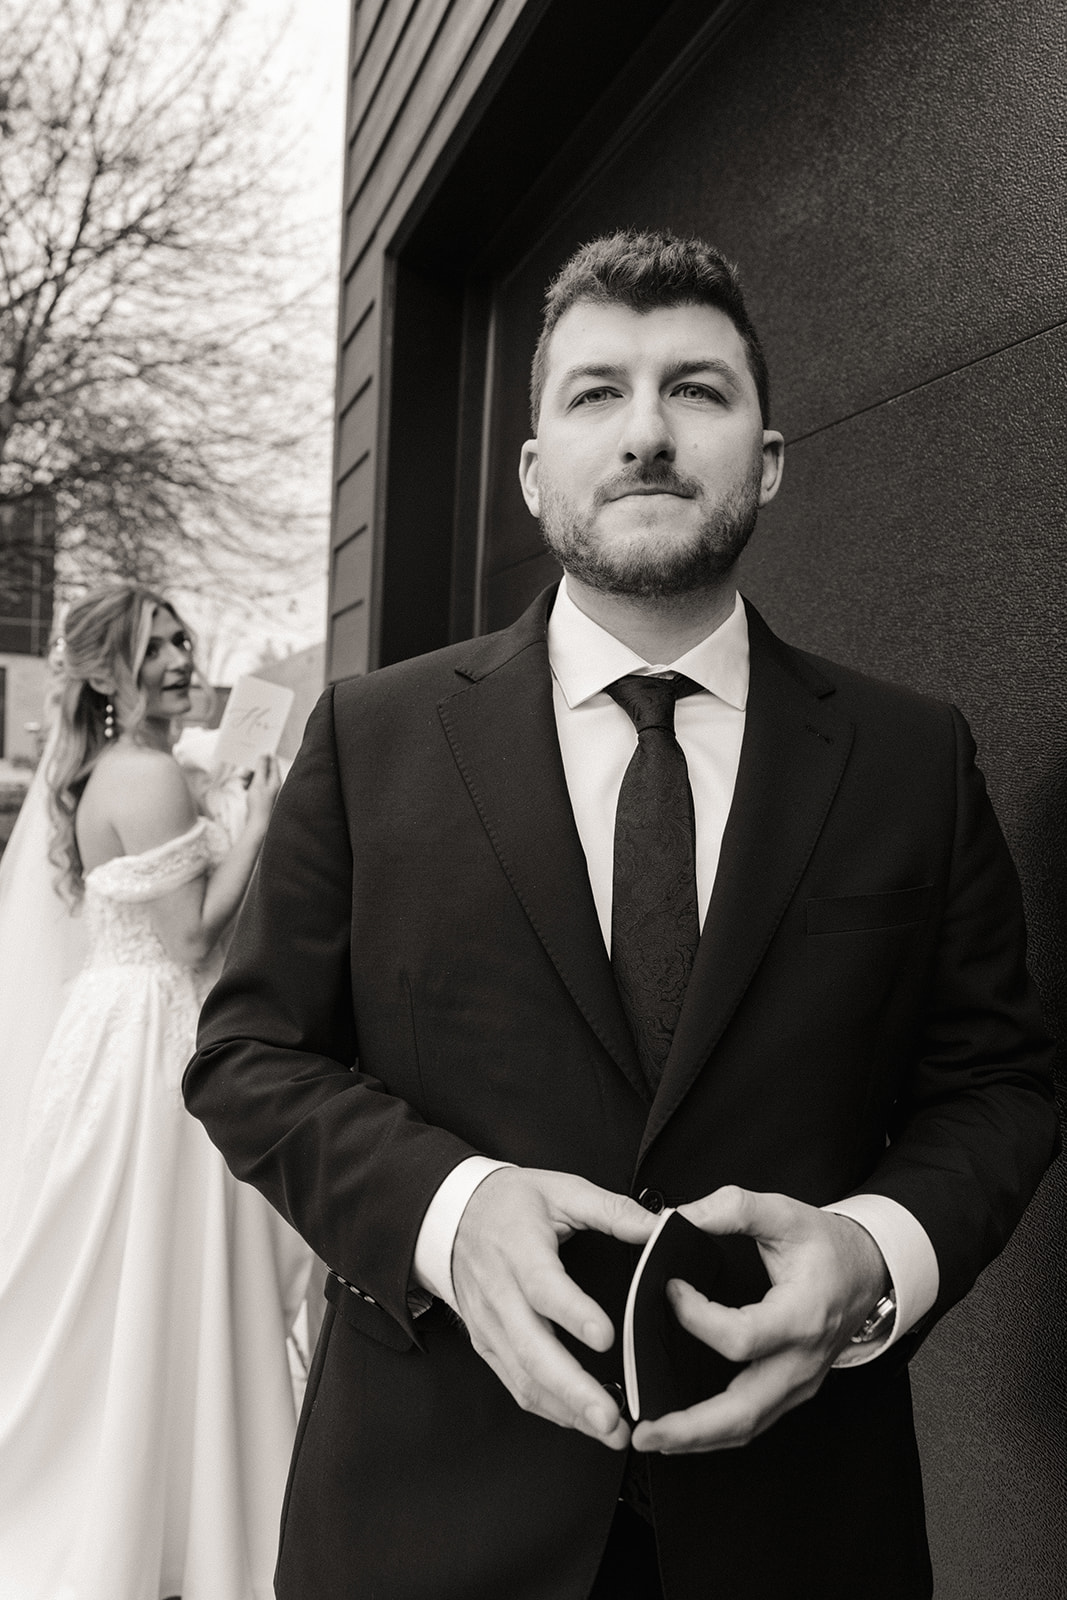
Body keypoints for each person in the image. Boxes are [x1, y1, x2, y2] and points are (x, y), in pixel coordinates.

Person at [184, 231, 1059, 1600]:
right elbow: (247, 1056)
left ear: (764, 456)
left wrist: (874, 1256)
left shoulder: (908, 760)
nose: (645, 432)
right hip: (422, 1520)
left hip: (800, 1527)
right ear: (535, 472)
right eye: (596, 392)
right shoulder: (373, 737)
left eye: (694, 389)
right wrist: (448, 1211)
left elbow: (996, 1084)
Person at [0, 584, 310, 1600]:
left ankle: (137, 1483)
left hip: (108, 1033)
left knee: (129, 1270)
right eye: (152, 647)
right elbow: (191, 937)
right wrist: (256, 821)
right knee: (163, 1262)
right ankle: (174, 1500)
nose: (179, 657)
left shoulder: (111, 772)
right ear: (102, 674)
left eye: (181, 638)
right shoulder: (151, 775)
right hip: (154, 1046)